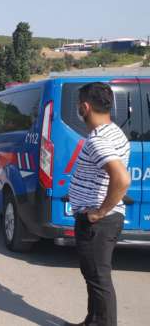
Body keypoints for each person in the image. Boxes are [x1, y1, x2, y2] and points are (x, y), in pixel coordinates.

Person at [65, 82, 130, 326]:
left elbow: (122, 178)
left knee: (99, 278)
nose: (78, 109)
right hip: (102, 219)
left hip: (98, 222)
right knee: (93, 275)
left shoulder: (98, 140)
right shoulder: (114, 131)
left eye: (78, 105)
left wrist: (100, 211)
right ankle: (92, 320)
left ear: (85, 106)